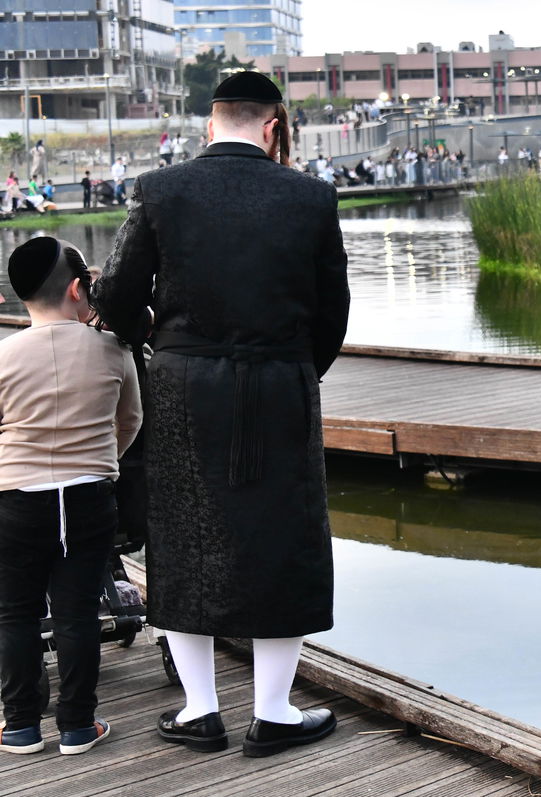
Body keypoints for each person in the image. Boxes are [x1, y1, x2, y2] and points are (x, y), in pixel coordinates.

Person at [92, 71, 350, 758]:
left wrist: (157, 337)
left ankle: (200, 710)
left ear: (211, 123)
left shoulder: (160, 189)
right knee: (284, 538)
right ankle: (273, 712)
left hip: (182, 385)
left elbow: (113, 296)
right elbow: (333, 315)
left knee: (183, 534)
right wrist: (293, 371)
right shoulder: (313, 197)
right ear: (273, 126)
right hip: (278, 384)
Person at [0, 238, 141, 756]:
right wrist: (101, 463)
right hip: (88, 494)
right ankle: (78, 726)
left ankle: (19, 726)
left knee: (14, 613)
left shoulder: (5, 353)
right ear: (80, 288)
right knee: (76, 613)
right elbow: (130, 422)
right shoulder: (113, 349)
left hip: (16, 496)